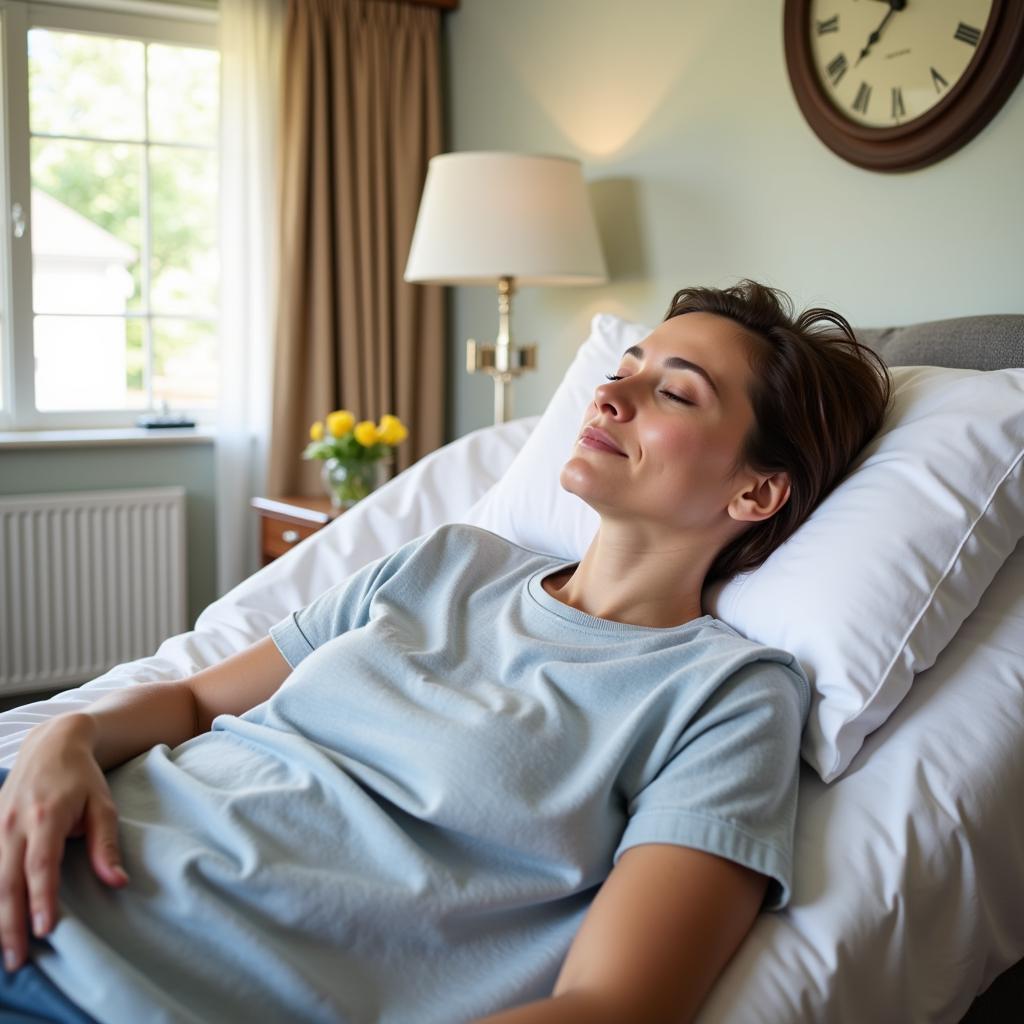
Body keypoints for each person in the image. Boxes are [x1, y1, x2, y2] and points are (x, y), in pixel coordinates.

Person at [0, 279, 892, 1024]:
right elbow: (195, 703)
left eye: (675, 391)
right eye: (625, 370)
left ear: (757, 491)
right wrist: (63, 740)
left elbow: (615, 1006)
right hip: (41, 851)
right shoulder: (451, 560)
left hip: (122, 989)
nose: (609, 397)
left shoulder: (726, 695)